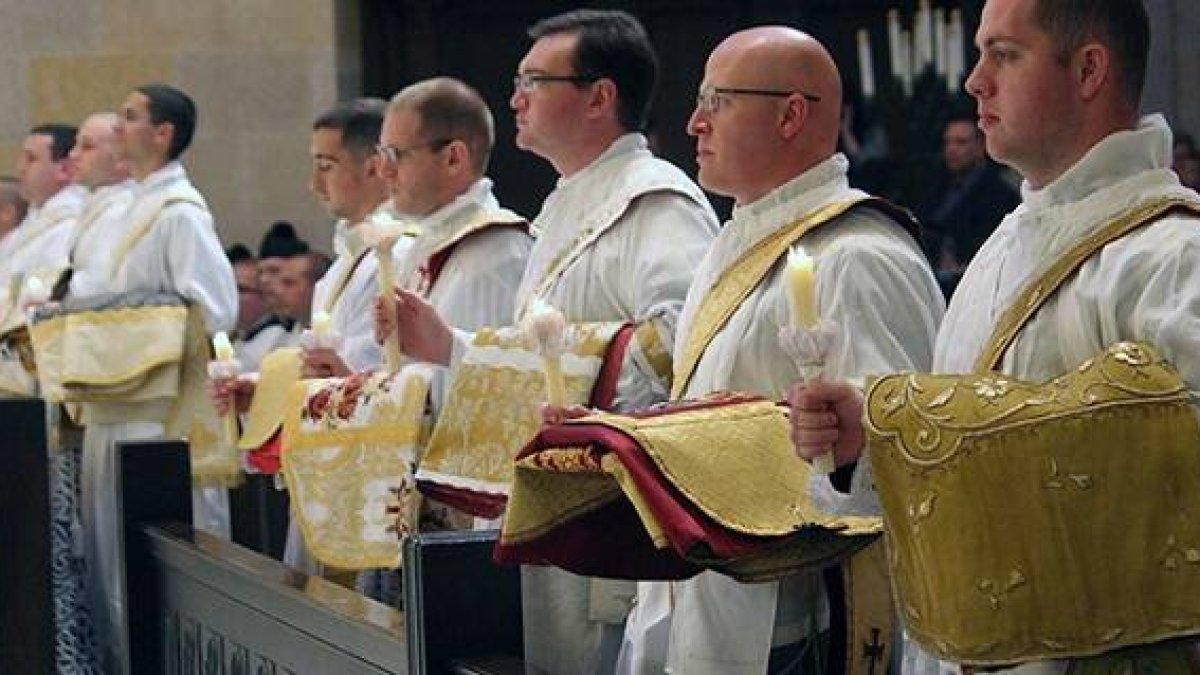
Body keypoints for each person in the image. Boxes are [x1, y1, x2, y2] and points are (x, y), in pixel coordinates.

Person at [792, 1, 1200, 672]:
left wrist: (905, 420)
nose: (974, 80)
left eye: (1004, 54)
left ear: (1090, 69)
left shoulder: (1169, 253)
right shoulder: (1008, 239)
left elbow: (1167, 477)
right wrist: (870, 439)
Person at [385, 10, 718, 673]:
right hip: (556, 502)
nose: (514, 99)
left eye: (534, 80)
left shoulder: (655, 203)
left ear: (600, 96)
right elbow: (543, 351)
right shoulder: (569, 202)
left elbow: (681, 341)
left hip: (611, 514)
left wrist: (474, 353)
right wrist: (451, 346)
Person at [613, 26, 943, 675]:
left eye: (718, 101)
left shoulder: (857, 254)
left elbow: (915, 461)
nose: (693, 122)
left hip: (798, 622)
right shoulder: (735, 239)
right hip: (714, 592)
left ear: (792, 114)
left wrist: (846, 451)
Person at [78, 83, 237, 675]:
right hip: (111, 403)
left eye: (128, 116)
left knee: (154, 568)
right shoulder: (127, 206)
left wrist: (137, 325)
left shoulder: (180, 212)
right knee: (107, 562)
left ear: (163, 133)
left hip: (158, 409)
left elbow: (217, 308)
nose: (117, 127)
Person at [914, 112, 1019, 297]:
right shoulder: (935, 185)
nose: (951, 149)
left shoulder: (999, 194)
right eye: (948, 142)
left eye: (960, 142)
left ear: (980, 146)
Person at [64, 112, 136, 298]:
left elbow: (101, 282)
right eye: (76, 144)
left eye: (87, 147)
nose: (73, 155)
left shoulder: (122, 211)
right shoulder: (98, 202)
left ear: (123, 161)